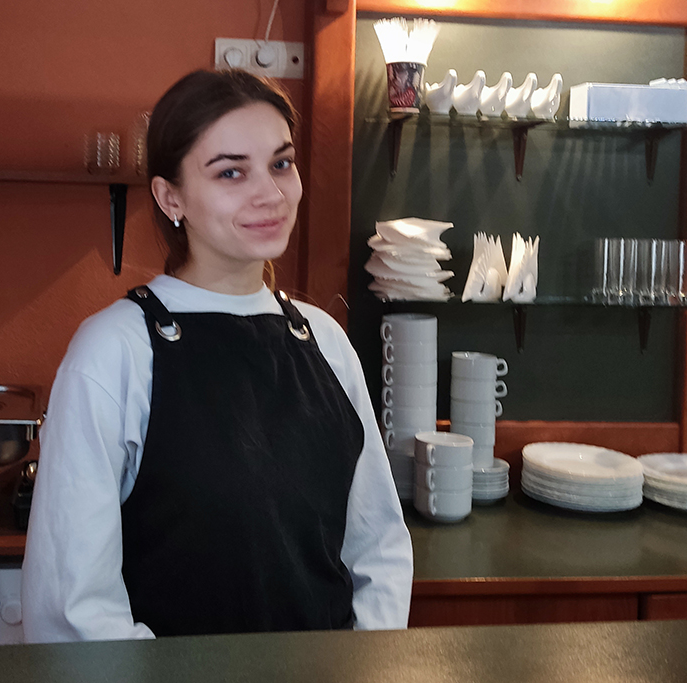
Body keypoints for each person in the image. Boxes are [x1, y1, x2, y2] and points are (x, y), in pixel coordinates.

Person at [21, 69, 413, 643]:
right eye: (231, 171)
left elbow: (377, 545)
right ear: (170, 197)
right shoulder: (113, 352)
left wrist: (359, 664)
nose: (271, 193)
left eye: (281, 163)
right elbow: (72, 605)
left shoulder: (326, 342)